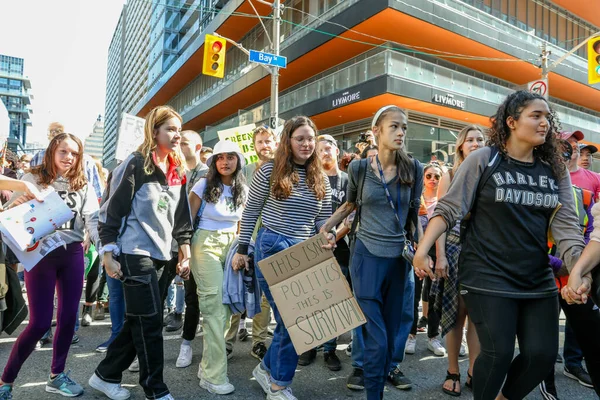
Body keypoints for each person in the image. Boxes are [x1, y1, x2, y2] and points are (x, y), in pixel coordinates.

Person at [414, 90, 585, 400]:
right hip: (486, 275)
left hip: (536, 277)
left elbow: (568, 229)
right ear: (511, 121)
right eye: (536, 115)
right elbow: (449, 208)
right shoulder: (485, 159)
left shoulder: (554, 169)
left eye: (547, 116)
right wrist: (423, 249)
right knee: (498, 352)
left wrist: (578, 270)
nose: (544, 122)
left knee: (542, 355)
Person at [89, 105, 193, 400]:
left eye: (179, 129)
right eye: (170, 129)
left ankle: (105, 375)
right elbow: (110, 212)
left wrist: (185, 251)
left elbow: (182, 217)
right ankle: (156, 389)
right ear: (154, 131)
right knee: (149, 323)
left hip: (164, 255)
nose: (176, 135)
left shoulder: (177, 168)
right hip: (134, 253)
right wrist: (108, 253)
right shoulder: (135, 164)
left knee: (139, 318)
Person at [321, 105, 423, 399]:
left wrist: (423, 251)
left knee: (390, 337)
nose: (401, 132)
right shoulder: (359, 168)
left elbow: (414, 214)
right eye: (394, 126)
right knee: (375, 338)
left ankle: (376, 385)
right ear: (377, 131)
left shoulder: (413, 168)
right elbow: (350, 205)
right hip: (365, 256)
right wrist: (327, 227)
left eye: (404, 126)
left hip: (398, 262)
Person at [232, 116, 332, 400]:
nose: (306, 144)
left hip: (306, 252)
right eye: (300, 138)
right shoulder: (268, 171)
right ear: (287, 141)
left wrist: (329, 237)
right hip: (272, 246)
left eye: (310, 138)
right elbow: (251, 212)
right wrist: (242, 249)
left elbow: (322, 222)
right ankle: (279, 385)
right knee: (293, 320)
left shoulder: (320, 176)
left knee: (299, 321)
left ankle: (266, 369)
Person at [0, 133, 100, 399]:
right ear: (52, 151)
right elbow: (7, 217)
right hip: (40, 255)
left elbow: (92, 219)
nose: (69, 157)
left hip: (72, 255)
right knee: (39, 323)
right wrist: (18, 203)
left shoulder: (84, 184)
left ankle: (57, 376)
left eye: (75, 153)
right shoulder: (31, 178)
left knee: (68, 319)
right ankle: (5, 381)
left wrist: (105, 249)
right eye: (64, 151)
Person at [539, 139, 599, 399]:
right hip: (545, 274)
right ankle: (546, 380)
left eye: (572, 149)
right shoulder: (534, 188)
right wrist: (560, 266)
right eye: (563, 148)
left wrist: (580, 268)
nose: (568, 153)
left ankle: (574, 366)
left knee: (585, 330)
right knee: (546, 332)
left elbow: (590, 233)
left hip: (575, 272)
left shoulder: (582, 193)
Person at [188, 140, 247, 395]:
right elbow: (186, 222)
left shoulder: (242, 188)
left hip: (232, 247)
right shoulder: (202, 184)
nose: (225, 161)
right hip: (205, 244)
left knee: (228, 308)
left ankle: (207, 365)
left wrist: (243, 252)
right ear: (213, 162)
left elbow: (244, 223)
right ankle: (214, 376)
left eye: (230, 157)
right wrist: (183, 255)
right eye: (220, 157)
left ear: (238, 161)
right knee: (214, 308)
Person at [431, 126, 485, 396]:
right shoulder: (450, 174)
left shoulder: (489, 173)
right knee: (456, 315)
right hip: (453, 250)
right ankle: (453, 370)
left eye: (480, 140)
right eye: (470, 140)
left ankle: (475, 370)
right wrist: (439, 255)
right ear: (461, 146)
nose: (475, 144)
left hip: (483, 252)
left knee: (477, 315)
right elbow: (440, 218)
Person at [225, 125, 277, 361]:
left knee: (264, 295)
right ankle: (227, 340)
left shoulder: (282, 169)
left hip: (271, 238)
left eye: (268, 141)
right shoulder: (244, 170)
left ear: (275, 143)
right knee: (236, 287)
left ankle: (259, 342)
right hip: (244, 237)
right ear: (254, 146)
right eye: (260, 142)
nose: (264, 145)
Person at [297, 134, 348, 371]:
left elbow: (350, 218)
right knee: (308, 300)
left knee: (334, 301)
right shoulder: (309, 179)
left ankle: (329, 349)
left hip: (340, 249)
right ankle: (308, 345)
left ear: (337, 151)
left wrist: (330, 239)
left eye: (328, 148)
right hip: (308, 249)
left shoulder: (348, 181)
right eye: (320, 150)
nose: (324, 153)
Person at [174, 129, 209, 367]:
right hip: (167, 241)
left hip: (194, 241)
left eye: (185, 143)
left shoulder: (209, 174)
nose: (179, 145)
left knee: (193, 297)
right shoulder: (171, 169)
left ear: (198, 147)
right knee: (156, 296)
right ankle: (140, 350)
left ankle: (187, 343)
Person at [406, 161, 446, 358]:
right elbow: (411, 224)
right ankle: (411, 335)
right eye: (429, 176)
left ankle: (433, 337)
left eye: (437, 176)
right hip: (417, 252)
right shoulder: (417, 199)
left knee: (434, 296)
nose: (432, 180)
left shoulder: (445, 200)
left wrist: (440, 256)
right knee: (413, 295)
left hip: (437, 253)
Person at [560, 130, 600, 201]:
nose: (575, 145)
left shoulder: (597, 178)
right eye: (569, 142)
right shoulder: (548, 174)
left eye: (576, 142)